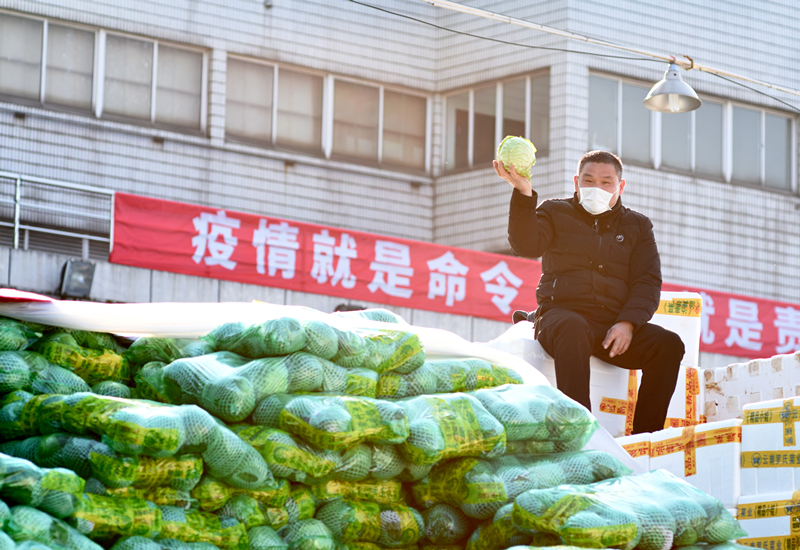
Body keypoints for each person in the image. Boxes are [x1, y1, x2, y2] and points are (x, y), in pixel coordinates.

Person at [494, 150, 684, 434]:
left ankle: (645, 438)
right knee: (573, 327)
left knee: (668, 345)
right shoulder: (554, 211)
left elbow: (647, 281)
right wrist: (523, 192)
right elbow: (525, 246)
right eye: (589, 180)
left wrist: (628, 323)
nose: (597, 188)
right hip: (560, 318)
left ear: (620, 187)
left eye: (606, 182)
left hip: (611, 326)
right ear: (576, 182)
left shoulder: (638, 226)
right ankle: (581, 430)